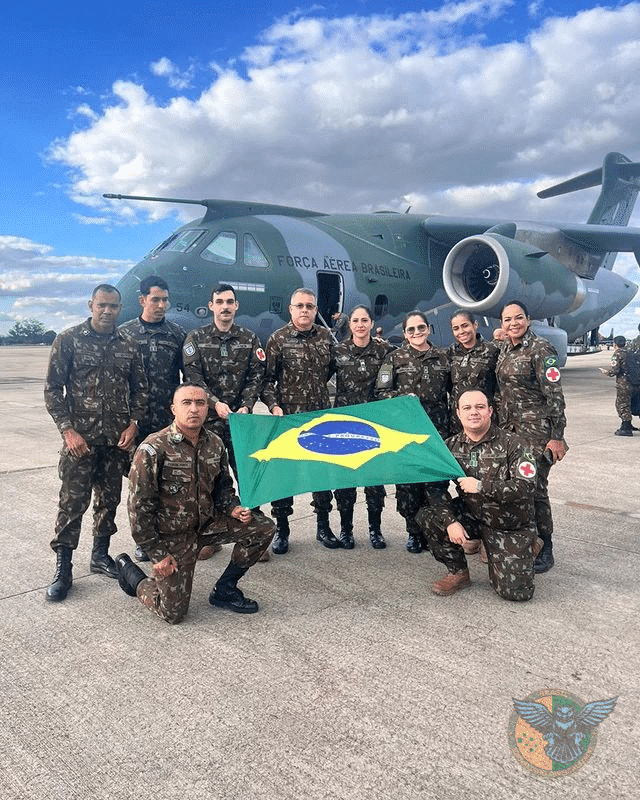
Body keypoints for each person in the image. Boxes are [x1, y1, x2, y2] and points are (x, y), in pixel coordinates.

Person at [115, 383, 275, 624]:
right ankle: (131, 574)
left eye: (200, 403)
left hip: (208, 524)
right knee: (173, 614)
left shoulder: (215, 444)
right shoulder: (153, 448)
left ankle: (225, 589)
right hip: (174, 535)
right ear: (173, 409)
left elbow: (223, 487)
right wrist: (157, 555)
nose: (194, 409)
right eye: (186, 403)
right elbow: (138, 509)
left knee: (263, 527)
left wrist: (233, 507)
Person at [43, 284, 149, 601]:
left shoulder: (129, 345)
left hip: (115, 444)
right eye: (102, 305)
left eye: (113, 306)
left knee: (109, 501)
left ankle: (100, 555)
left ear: (120, 308)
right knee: (72, 504)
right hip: (81, 442)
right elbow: (52, 390)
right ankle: (63, 569)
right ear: (91, 305)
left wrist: (133, 424)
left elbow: (140, 391)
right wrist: (68, 430)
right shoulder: (69, 340)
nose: (107, 311)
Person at [416, 390, 539, 600]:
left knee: (516, 593)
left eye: (480, 407)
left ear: (490, 411)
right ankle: (458, 573)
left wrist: (482, 486)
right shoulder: (450, 447)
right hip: (472, 514)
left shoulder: (514, 443)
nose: (474, 412)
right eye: (467, 408)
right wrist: (450, 522)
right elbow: (435, 489)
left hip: (508, 524)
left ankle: (528, 544)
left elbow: (527, 486)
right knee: (428, 516)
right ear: (458, 414)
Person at [182, 283, 268, 559]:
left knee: (247, 475)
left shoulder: (249, 339)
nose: (225, 307)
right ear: (211, 306)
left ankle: (253, 536)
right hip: (208, 423)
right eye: (220, 302)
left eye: (230, 302)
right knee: (207, 479)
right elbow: (193, 377)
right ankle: (210, 536)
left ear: (237, 306)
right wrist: (214, 403)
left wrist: (246, 405)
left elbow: (257, 375)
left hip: (240, 423)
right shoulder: (196, 338)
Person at [495, 302, 567, 574]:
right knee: (516, 489)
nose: (513, 323)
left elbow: (555, 394)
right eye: (507, 319)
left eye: (518, 318)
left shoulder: (541, 349)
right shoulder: (504, 348)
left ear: (529, 319)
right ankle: (525, 541)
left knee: (535, 490)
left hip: (536, 434)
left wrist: (557, 436)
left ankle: (545, 547)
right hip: (509, 432)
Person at [261, 287, 334, 553]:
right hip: (288, 420)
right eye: (300, 306)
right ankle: (282, 529)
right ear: (290, 309)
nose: (305, 310)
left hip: (319, 419)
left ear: (316, 310)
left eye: (310, 306)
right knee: (285, 476)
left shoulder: (327, 337)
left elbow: (335, 371)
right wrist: (274, 405)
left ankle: (323, 527)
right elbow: (267, 380)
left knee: (321, 475)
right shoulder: (277, 339)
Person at [119, 276, 185, 562]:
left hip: (167, 425)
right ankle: (143, 540)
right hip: (136, 424)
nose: (161, 305)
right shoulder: (124, 334)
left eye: (165, 300)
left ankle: (166, 536)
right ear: (142, 300)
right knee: (140, 488)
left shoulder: (177, 334)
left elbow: (188, 379)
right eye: (155, 299)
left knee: (168, 484)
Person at [375, 310, 450, 553]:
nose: (416, 333)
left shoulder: (442, 357)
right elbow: (382, 392)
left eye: (421, 328)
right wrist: (402, 397)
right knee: (408, 488)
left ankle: (433, 531)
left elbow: (455, 391)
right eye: (411, 329)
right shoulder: (394, 359)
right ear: (405, 334)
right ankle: (413, 532)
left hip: (436, 431)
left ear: (428, 329)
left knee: (435, 485)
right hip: (404, 434)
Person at [330, 305, 394, 548]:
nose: (359, 324)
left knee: (374, 482)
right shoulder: (338, 350)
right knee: (346, 483)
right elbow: (317, 378)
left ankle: (375, 530)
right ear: (350, 324)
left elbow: (398, 371)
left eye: (364, 320)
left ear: (371, 322)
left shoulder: (384, 350)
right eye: (355, 320)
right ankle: (346, 530)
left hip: (373, 427)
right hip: (344, 426)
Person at [448, 310, 499, 430]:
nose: (461, 331)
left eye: (465, 326)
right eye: (456, 328)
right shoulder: (450, 353)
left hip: (484, 419)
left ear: (475, 325)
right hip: (459, 421)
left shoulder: (492, 351)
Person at [600, 335, 640, 436]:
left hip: (624, 385)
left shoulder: (617, 355)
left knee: (622, 405)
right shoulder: (631, 353)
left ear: (615, 344)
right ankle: (629, 424)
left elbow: (615, 370)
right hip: (635, 383)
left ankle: (626, 427)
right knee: (634, 404)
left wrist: (606, 372)